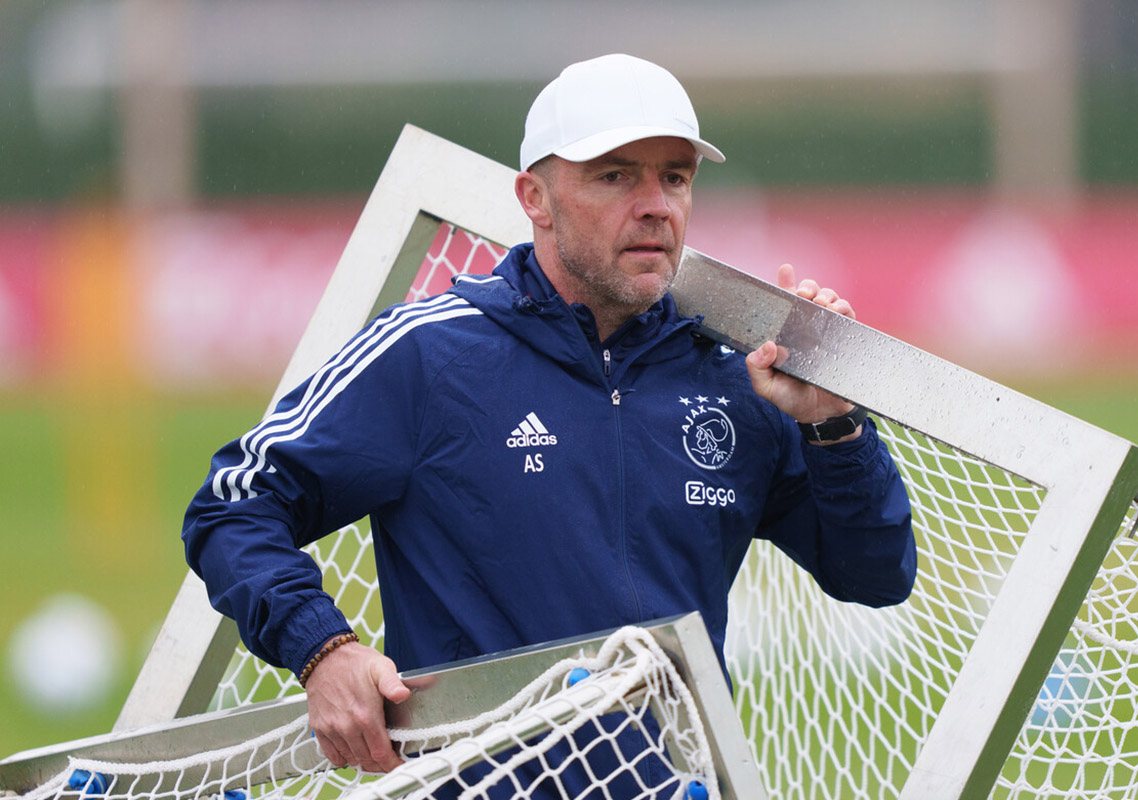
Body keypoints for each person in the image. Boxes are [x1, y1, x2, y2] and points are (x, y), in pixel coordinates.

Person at [182, 53, 916, 783]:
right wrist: (323, 650)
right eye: (615, 176)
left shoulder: (735, 377)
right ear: (535, 197)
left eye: (675, 177)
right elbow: (232, 506)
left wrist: (833, 426)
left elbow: (876, 573)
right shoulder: (429, 355)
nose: (656, 205)